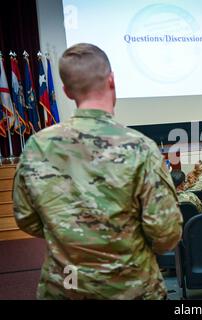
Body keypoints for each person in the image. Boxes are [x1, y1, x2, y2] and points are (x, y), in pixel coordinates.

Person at [12, 43, 182, 300]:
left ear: (67, 91)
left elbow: (26, 217)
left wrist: (67, 233)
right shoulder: (139, 147)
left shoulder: (37, 146)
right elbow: (166, 232)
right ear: (112, 80)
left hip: (66, 286)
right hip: (132, 287)